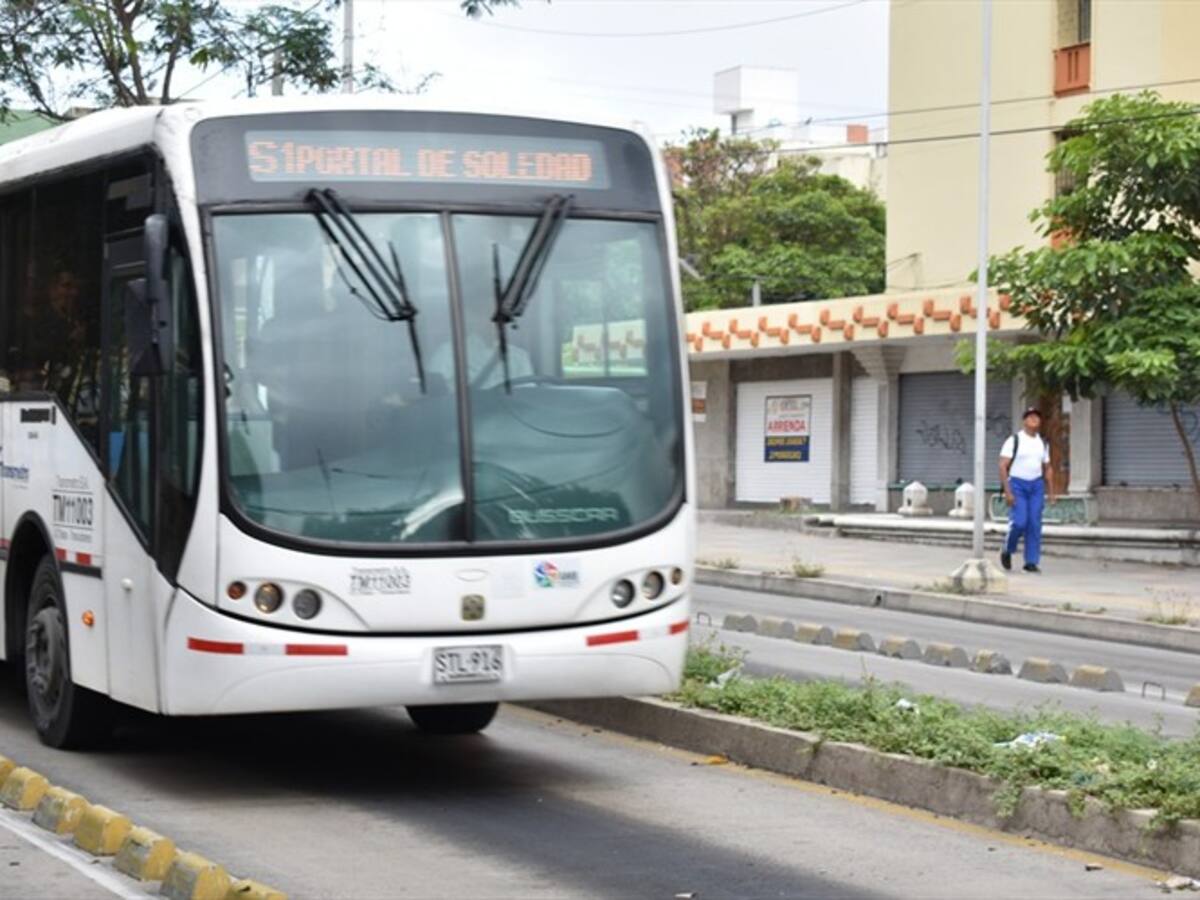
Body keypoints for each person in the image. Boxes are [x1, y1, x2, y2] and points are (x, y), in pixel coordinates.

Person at [999, 407, 1055, 573]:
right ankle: (1007, 549)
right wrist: (1008, 491)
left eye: (1037, 417)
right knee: (1019, 522)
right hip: (1017, 484)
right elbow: (1003, 466)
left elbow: (1047, 467)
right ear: (1024, 421)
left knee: (1034, 523)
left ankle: (1031, 561)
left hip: (1036, 485)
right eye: (1030, 417)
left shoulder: (1042, 443)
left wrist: (1051, 492)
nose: (1034, 419)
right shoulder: (1014, 440)